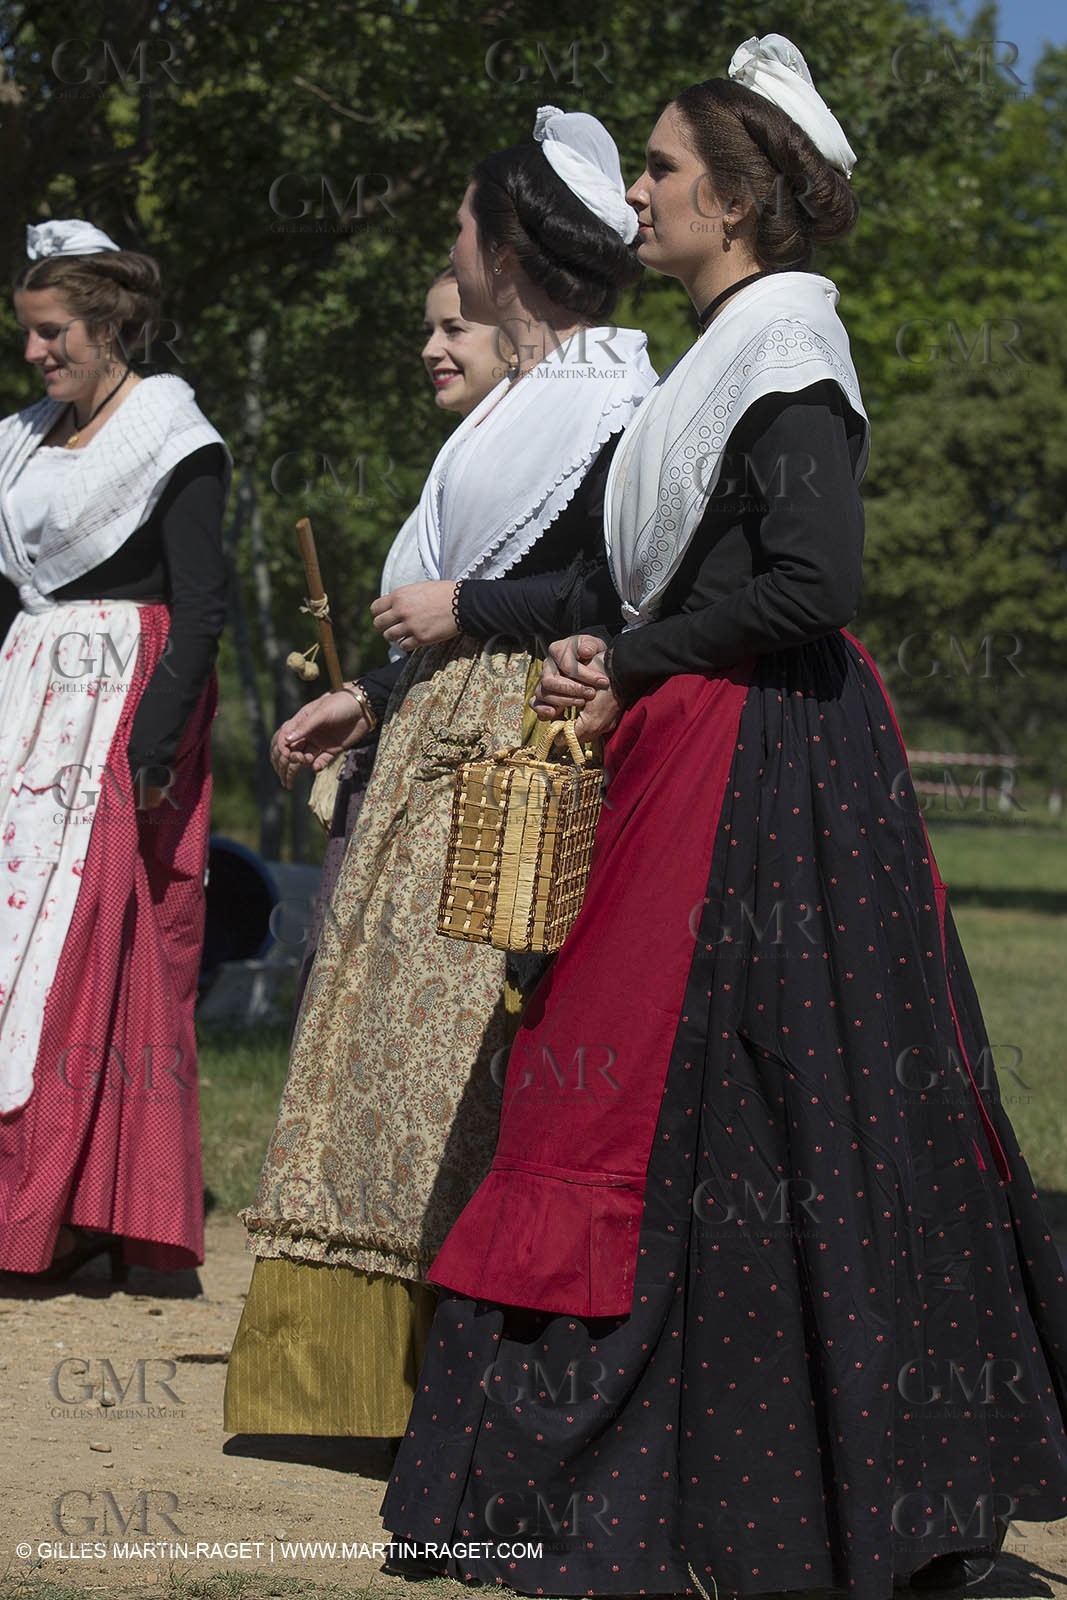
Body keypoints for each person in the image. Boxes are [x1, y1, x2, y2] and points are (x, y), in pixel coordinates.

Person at [382, 37, 1067, 1597]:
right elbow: (645, 575)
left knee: (786, 1110)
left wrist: (623, 653)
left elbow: (815, 585)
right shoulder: (708, 357)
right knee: (645, 1102)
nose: (636, 188)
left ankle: (874, 1506)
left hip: (775, 775)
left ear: (740, 199)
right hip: (692, 755)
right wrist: (550, 626)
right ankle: (627, 1479)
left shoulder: (784, 354)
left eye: (662, 168)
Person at [223, 106, 657, 1440]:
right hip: (435, 733)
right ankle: (345, 1381)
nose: (451, 250)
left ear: (511, 248)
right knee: (378, 1038)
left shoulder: (615, 404)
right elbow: (454, 596)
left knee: (461, 1048)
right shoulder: (524, 403)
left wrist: (471, 605)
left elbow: (611, 587)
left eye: (464, 229)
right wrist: (370, 690)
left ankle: (454, 1378)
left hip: (521, 744)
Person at [0, 220, 230, 1282]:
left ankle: (89, 1210)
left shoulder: (169, 431)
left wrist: (154, 744)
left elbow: (201, 602)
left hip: (120, 699)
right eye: (30, 336)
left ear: (108, 325)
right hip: (29, 692)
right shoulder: (21, 439)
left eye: (53, 334)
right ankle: (39, 1209)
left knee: (88, 941)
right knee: (16, 941)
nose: (37, 353)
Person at [276, 265, 514, 1014]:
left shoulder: (532, 472)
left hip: (476, 779)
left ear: (519, 337)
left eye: (453, 329)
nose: (429, 349)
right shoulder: (462, 458)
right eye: (426, 330)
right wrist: (363, 700)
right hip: (408, 752)